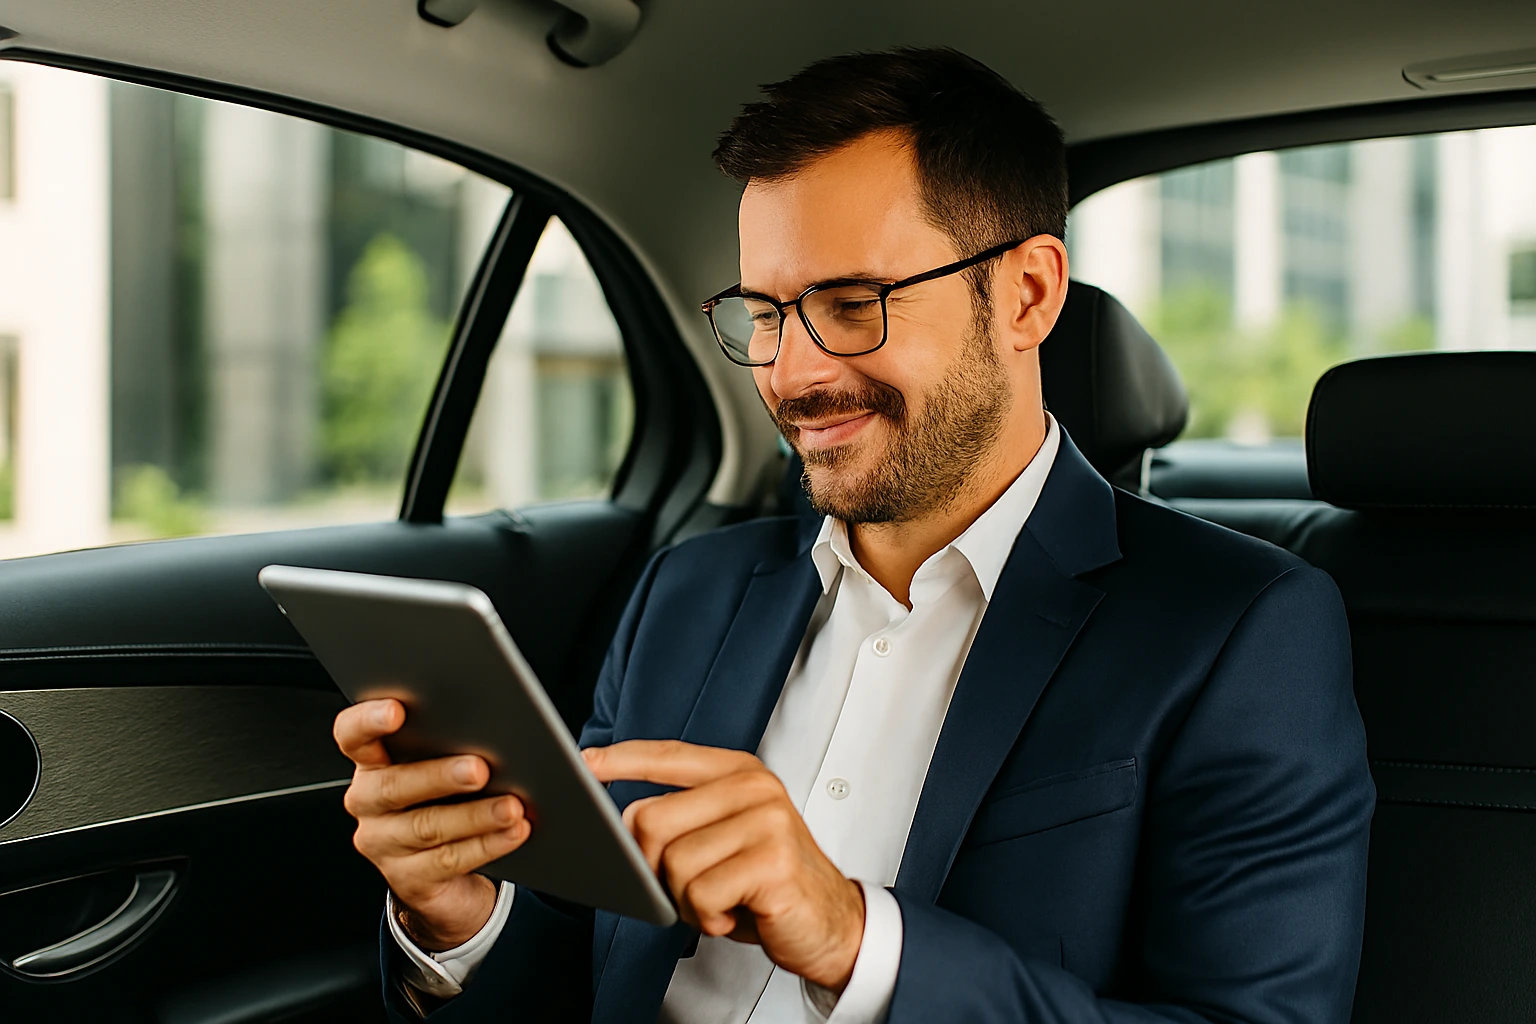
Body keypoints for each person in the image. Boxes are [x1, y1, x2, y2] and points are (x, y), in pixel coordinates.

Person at [332, 46, 1374, 1024]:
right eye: (767, 312)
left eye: (851, 302)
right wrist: (459, 917)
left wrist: (855, 938)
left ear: (1027, 294)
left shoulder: (1239, 628)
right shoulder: (683, 593)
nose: (791, 372)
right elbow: (591, 971)